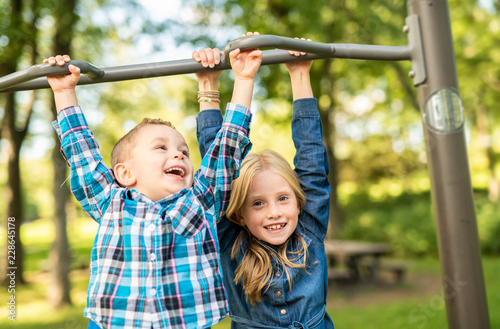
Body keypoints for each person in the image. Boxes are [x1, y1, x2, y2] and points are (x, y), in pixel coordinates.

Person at [45, 44, 261, 329]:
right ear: (125, 172)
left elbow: (228, 148)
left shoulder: (200, 202)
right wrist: (63, 92)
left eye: (184, 152)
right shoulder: (112, 202)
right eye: (161, 147)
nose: (178, 155)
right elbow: (80, 151)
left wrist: (244, 79)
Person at [195, 36, 334, 328]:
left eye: (283, 198)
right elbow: (218, 166)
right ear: (239, 215)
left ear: (299, 203)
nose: (274, 212)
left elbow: (312, 158)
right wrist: (208, 87)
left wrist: (299, 73)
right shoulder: (230, 240)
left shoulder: (309, 227)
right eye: (257, 203)